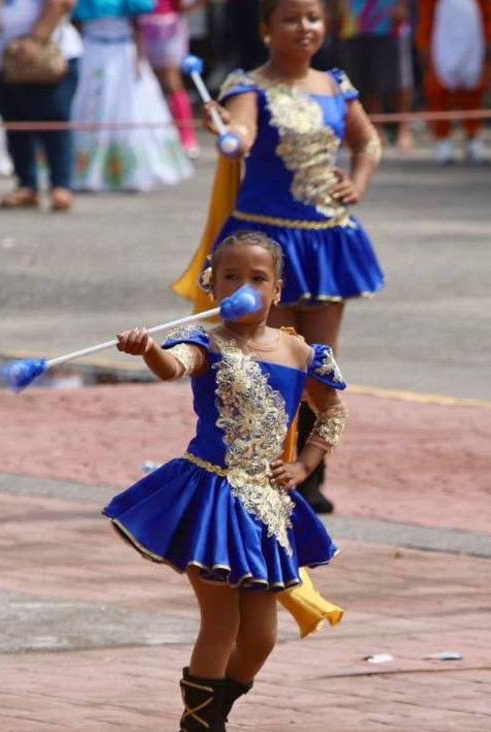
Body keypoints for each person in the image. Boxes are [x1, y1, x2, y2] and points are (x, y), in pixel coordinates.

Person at [105, 231, 349, 732]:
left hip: (266, 508)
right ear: (212, 284)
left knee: (260, 638)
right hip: (212, 495)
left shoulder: (298, 350)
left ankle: (212, 722)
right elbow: (174, 367)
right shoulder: (207, 342)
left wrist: (306, 466)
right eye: (232, 276)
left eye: (258, 279)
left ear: (277, 289)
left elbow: (331, 411)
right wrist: (149, 350)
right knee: (220, 624)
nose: (245, 287)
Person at [178, 0, 384, 513]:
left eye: (313, 17)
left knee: (319, 362)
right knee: (268, 359)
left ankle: (310, 478)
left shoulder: (337, 83)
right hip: (264, 248)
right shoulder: (248, 86)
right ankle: (254, 469)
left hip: (328, 239)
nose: (305, 28)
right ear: (267, 29)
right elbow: (241, 137)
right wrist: (226, 134)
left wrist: (357, 183)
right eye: (291, 18)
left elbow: (368, 141)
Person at [69, 0, 194, 191]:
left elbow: (137, 24)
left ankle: (132, 171)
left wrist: (140, 57)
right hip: (92, 51)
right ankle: (86, 170)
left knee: (130, 108)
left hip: (123, 51)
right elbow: (76, 21)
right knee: (92, 107)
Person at [0, 0, 83, 210]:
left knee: (53, 120)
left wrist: (36, 39)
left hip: (44, 59)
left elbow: (62, 3)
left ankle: (60, 185)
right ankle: (26, 185)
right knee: (14, 121)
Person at [416, 0, 491, 164]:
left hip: (473, 36)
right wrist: (424, 42)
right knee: (439, 92)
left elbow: (489, 9)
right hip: (443, 36)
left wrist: (490, 37)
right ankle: (442, 140)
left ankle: (473, 139)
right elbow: (426, 12)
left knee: (474, 91)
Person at [337, 0, 416, 149]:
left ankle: (404, 128)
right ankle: (375, 128)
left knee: (399, 80)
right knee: (364, 81)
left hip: (389, 19)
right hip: (355, 21)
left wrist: (402, 5)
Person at [139, 0, 205, 157]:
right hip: (143, 27)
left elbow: (183, 6)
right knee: (150, 85)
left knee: (171, 83)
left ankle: (186, 138)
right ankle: (159, 138)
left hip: (166, 28)